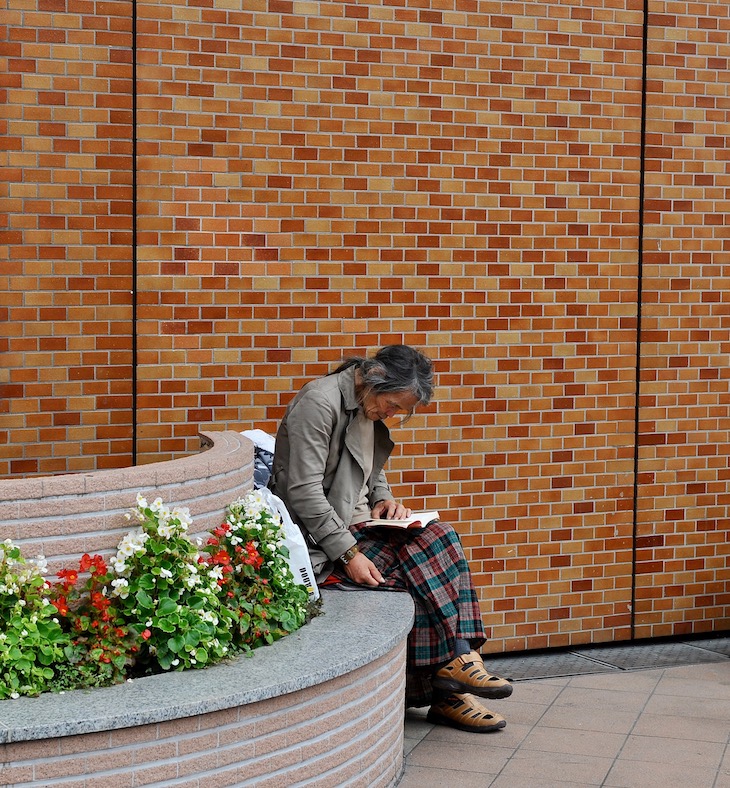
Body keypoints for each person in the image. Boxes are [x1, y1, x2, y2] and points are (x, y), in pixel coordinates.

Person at [271, 344, 512, 733]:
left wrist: (384, 499)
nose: (392, 414)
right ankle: (452, 683)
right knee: (419, 574)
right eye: (393, 405)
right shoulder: (319, 403)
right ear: (372, 378)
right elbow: (302, 491)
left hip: (363, 527)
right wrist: (347, 554)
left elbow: (370, 467)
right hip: (322, 541)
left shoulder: (368, 402)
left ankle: (459, 665)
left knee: (441, 536)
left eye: (399, 410)